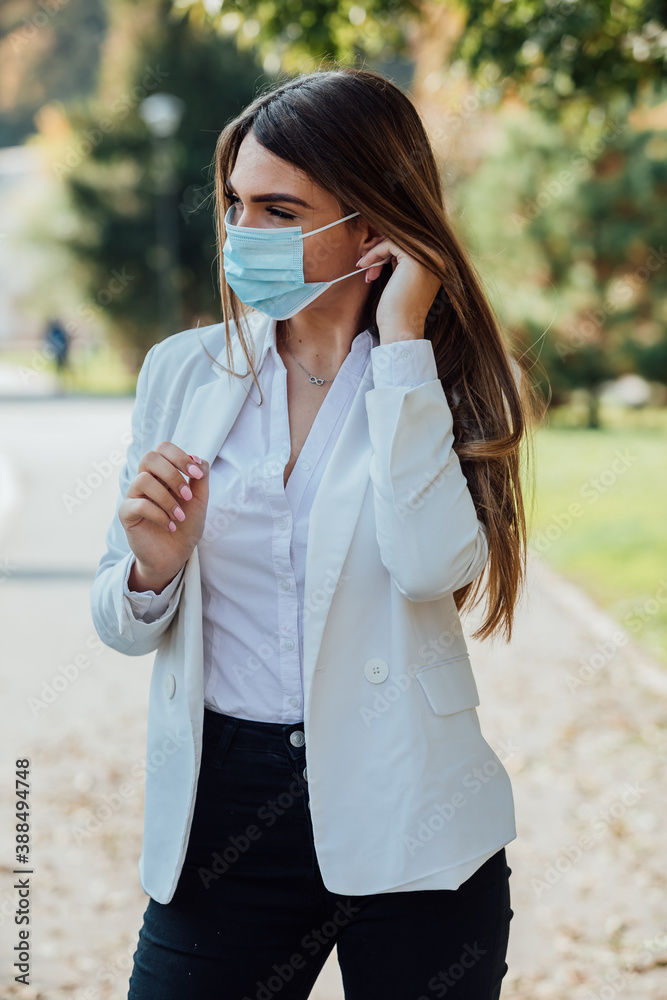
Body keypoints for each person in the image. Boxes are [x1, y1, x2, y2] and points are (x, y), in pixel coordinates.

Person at [91, 66, 541, 1000]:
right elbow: (118, 622)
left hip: (411, 811)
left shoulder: (443, 377)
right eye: (235, 204)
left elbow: (429, 567)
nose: (241, 233)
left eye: (279, 211)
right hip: (222, 818)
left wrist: (402, 340)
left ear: (372, 228)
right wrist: (152, 570)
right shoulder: (183, 372)